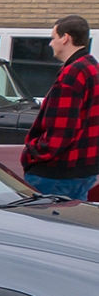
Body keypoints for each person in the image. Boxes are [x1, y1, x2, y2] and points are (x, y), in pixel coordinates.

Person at [22, 14, 99, 201]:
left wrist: (32, 153)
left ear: (65, 38)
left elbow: (61, 130)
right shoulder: (92, 67)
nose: (50, 44)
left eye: (53, 38)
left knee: (41, 226)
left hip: (57, 173)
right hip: (85, 169)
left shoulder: (72, 74)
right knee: (70, 227)